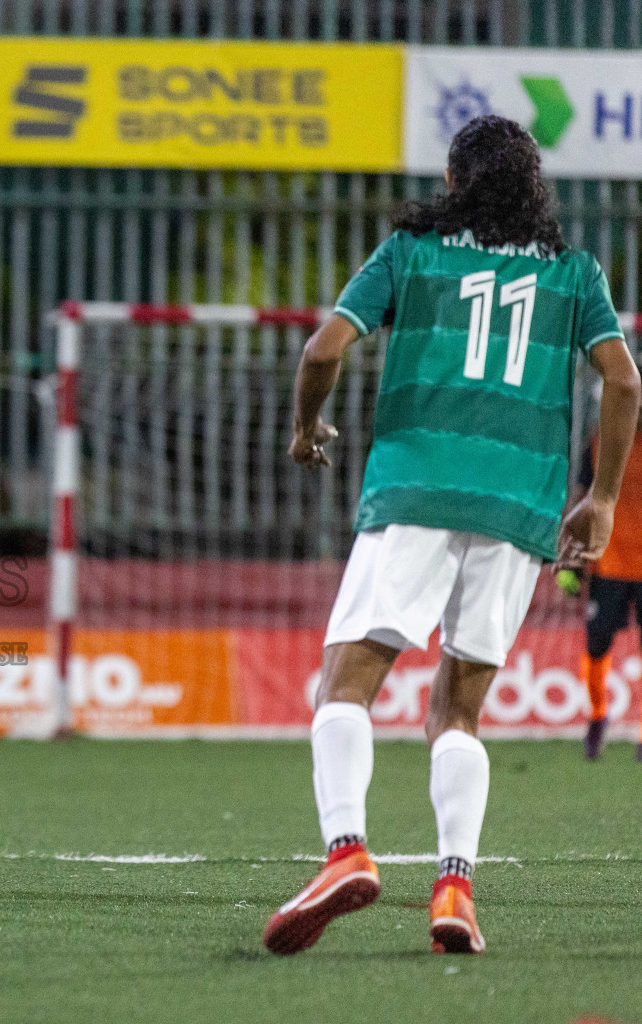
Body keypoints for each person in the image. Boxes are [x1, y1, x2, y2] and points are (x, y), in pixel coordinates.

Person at [263, 115, 641, 957]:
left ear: (455, 181)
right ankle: (455, 888)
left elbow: (324, 350)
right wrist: (602, 498)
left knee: (346, 685)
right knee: (458, 711)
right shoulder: (577, 273)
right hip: (520, 509)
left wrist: (305, 426)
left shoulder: (410, 253)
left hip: (416, 487)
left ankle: (344, 851)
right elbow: (623, 379)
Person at [571, 414, 642, 760]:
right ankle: (598, 716)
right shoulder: (602, 443)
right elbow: (582, 496)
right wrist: (572, 553)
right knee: (596, 646)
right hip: (608, 562)